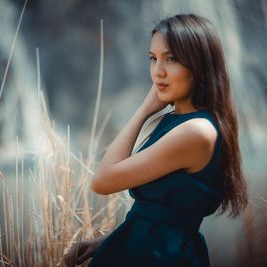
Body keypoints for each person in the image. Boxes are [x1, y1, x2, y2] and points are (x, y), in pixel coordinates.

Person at [65, 13, 248, 267]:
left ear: (199, 64)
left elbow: (103, 181)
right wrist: (107, 242)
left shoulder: (196, 131)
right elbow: (160, 218)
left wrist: (144, 109)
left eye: (171, 59)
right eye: (153, 59)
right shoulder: (177, 121)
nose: (158, 72)